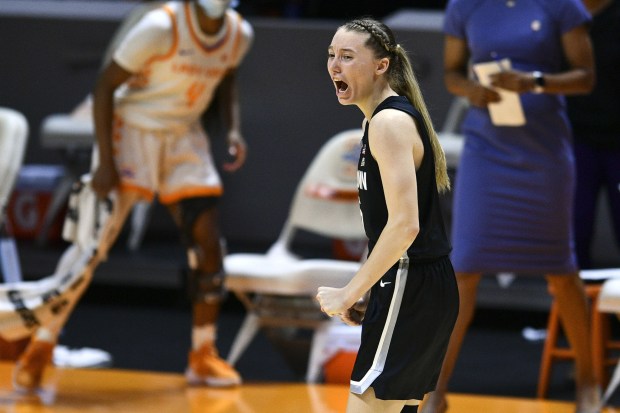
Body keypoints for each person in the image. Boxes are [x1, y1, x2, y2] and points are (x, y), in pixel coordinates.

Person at [11, 0, 253, 391]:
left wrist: (233, 129)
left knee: (208, 246)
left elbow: (227, 78)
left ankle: (203, 355)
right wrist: (106, 161)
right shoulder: (161, 25)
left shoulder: (239, 33)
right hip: (133, 129)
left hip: (183, 134)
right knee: (91, 249)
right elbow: (105, 86)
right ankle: (41, 345)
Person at [420, 1, 598, 413]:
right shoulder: (464, 6)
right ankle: (437, 391)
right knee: (463, 269)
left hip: (544, 152)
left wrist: (535, 81)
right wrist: (470, 89)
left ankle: (588, 385)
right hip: (487, 148)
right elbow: (451, 72)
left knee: (562, 272)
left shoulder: (563, 6)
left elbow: (586, 77)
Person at [316, 17, 459, 413]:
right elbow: (388, 230)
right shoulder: (376, 120)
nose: (335, 66)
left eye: (347, 56)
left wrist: (348, 291)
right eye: (331, 56)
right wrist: (366, 285)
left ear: (381, 65)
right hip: (412, 284)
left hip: (410, 282)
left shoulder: (389, 122)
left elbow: (405, 225)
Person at [568, 0, 620, 269]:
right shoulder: (563, 14)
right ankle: (580, 311)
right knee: (575, 234)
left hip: (617, 145)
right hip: (576, 141)